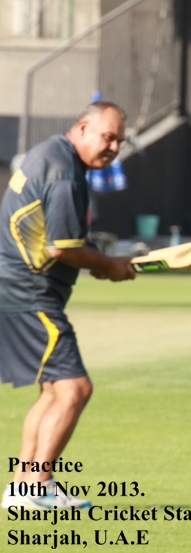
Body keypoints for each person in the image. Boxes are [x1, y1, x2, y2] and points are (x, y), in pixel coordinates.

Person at [0, 101, 136, 510]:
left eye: (118, 141)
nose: (112, 146)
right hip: (30, 293)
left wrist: (95, 259)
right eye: (106, 136)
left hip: (14, 291)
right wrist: (108, 264)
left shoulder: (50, 153)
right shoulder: (65, 174)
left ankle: (23, 488)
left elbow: (63, 240)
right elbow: (62, 248)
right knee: (76, 388)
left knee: (53, 391)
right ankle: (37, 488)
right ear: (81, 128)